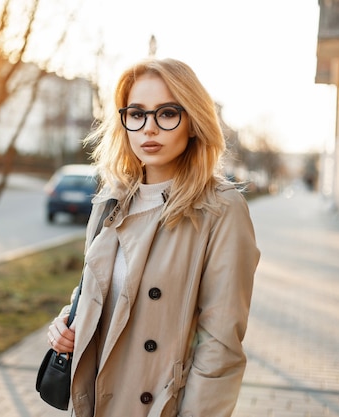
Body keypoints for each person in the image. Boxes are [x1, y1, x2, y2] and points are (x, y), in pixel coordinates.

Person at [47, 57, 260, 416]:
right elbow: (98, 289)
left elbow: (219, 347)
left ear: (192, 122)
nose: (149, 128)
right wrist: (69, 320)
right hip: (97, 397)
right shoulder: (111, 200)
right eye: (137, 113)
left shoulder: (221, 209)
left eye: (166, 113)